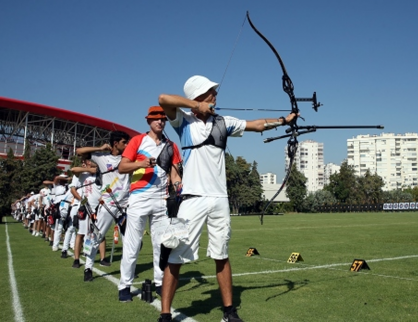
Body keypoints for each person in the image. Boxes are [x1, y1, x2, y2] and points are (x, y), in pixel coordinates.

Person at [157, 75, 297, 322]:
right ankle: (165, 314)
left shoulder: (224, 122)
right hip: (191, 198)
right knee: (176, 255)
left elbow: (257, 125)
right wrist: (195, 106)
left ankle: (229, 313)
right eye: (211, 92)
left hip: (219, 198)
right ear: (199, 95)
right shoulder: (183, 122)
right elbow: (164, 99)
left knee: (221, 253)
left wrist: (284, 120)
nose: (215, 96)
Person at [117, 106, 182, 302]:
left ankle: (160, 283)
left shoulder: (171, 145)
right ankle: (125, 286)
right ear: (148, 121)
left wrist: (178, 187)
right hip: (139, 198)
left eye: (163, 119)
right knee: (132, 244)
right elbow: (122, 167)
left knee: (160, 245)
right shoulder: (137, 141)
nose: (160, 122)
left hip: (161, 200)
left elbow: (175, 172)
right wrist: (141, 164)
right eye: (156, 119)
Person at [76, 130, 131, 282]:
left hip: (125, 205)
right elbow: (79, 151)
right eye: (124, 142)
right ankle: (88, 267)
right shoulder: (102, 157)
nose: (126, 145)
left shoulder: (128, 157)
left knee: (128, 241)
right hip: (107, 204)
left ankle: (126, 273)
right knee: (96, 237)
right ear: (115, 143)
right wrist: (100, 148)